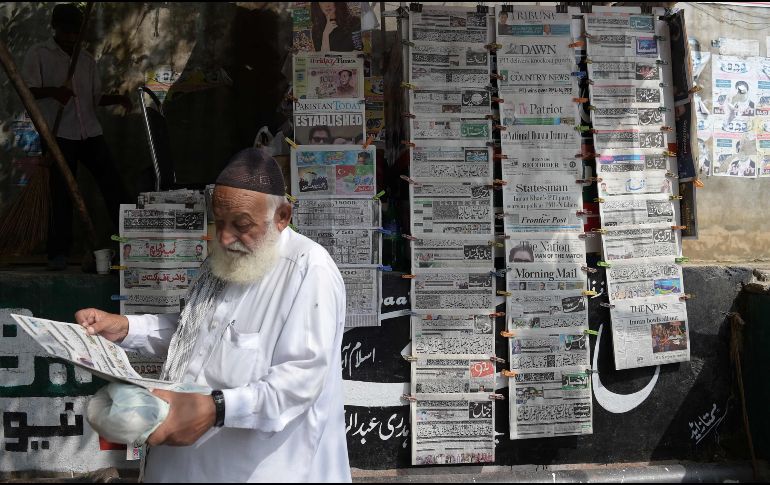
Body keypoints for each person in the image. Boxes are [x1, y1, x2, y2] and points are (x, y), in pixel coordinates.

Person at [74, 148, 351, 482]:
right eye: (218, 222)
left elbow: (299, 382)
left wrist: (216, 408)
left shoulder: (310, 270)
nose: (224, 237)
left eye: (241, 224)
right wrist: (126, 328)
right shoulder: (222, 262)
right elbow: (195, 338)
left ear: (282, 217)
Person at [22, 4, 132, 270]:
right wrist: (53, 92)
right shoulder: (39, 54)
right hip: (60, 134)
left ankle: (132, 243)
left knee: (113, 187)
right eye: (66, 31)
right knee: (61, 194)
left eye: (75, 31)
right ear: (56, 28)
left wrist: (116, 98)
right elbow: (27, 91)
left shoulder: (86, 60)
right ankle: (58, 253)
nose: (71, 36)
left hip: (90, 132)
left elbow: (93, 99)